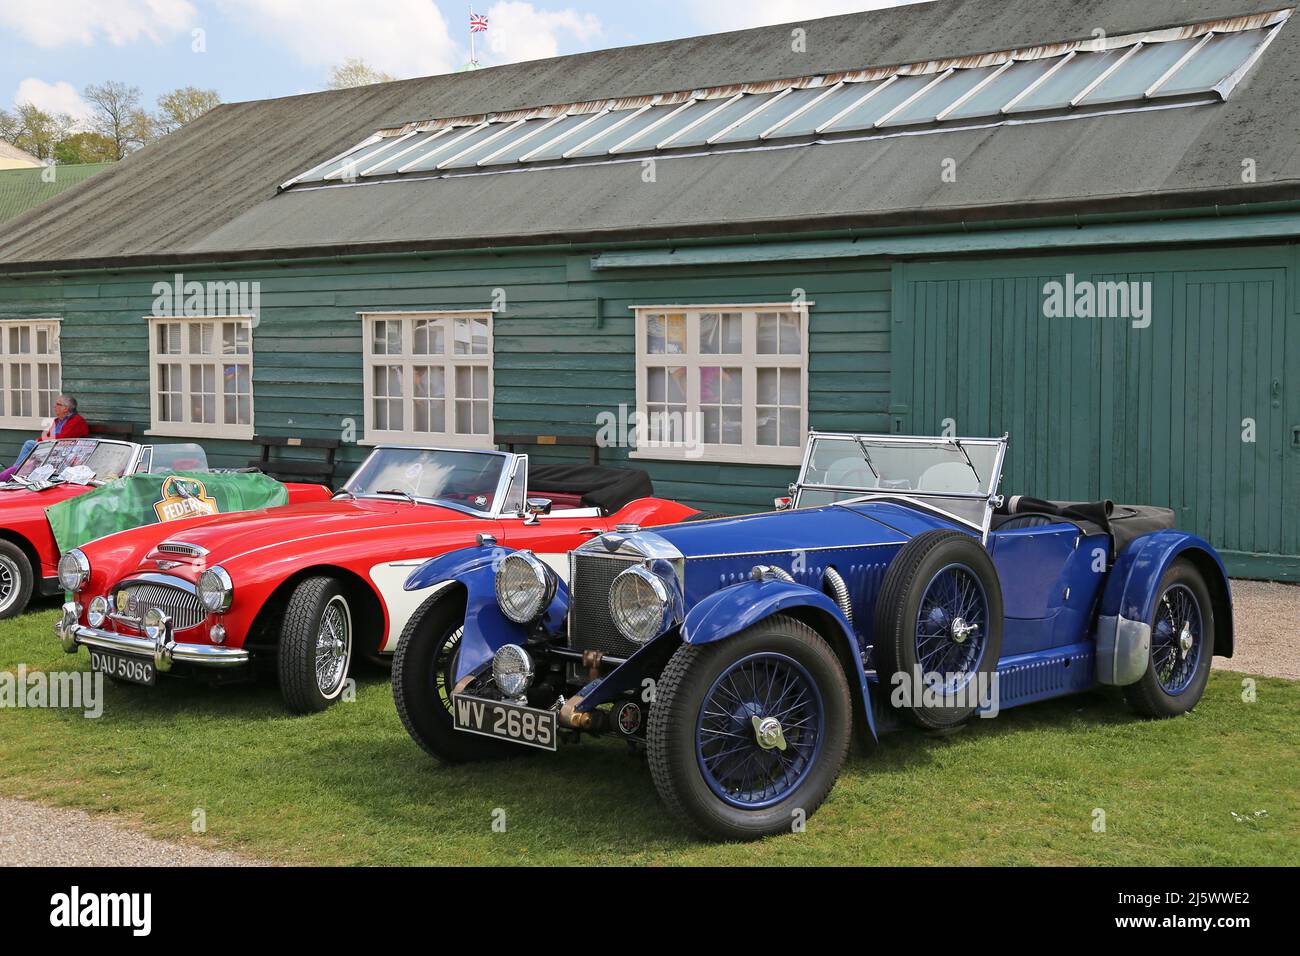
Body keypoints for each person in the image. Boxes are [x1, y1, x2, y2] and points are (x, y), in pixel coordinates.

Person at [0, 394, 90, 481]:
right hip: (54, 447)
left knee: (30, 444)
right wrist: (42, 440)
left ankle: (14, 472)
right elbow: (49, 436)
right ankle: (16, 471)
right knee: (32, 448)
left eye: (58, 404)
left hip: (65, 450)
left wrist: (39, 440)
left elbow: (62, 438)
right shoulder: (58, 421)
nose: (54, 406)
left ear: (66, 408)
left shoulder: (77, 421)